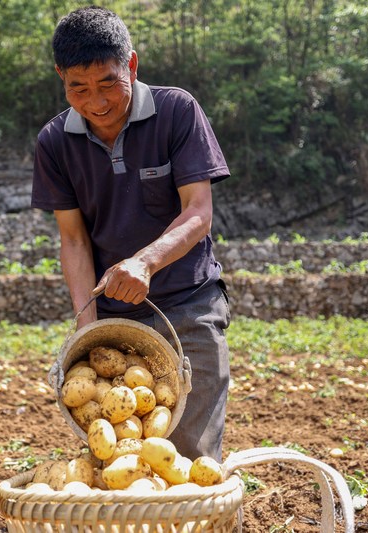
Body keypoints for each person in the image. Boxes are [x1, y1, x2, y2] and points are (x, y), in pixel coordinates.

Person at [32, 5, 231, 461]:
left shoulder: (177, 111)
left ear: (132, 65)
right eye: (77, 88)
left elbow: (198, 212)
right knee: (118, 457)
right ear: (60, 76)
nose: (96, 102)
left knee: (190, 457)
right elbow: (75, 240)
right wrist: (88, 334)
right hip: (113, 321)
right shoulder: (55, 142)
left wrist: (145, 261)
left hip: (188, 304)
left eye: (108, 83)